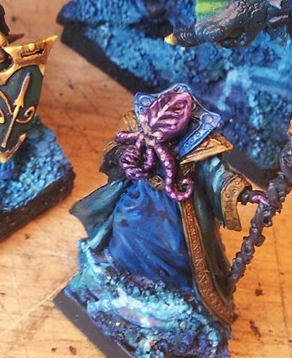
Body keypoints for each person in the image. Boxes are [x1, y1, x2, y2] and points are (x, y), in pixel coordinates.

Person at [71, 84, 265, 325]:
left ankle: (173, 290)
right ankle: (122, 271)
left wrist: (246, 194)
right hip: (140, 196)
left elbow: (219, 175)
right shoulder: (140, 130)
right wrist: (124, 156)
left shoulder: (198, 149)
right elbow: (115, 149)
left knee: (176, 246)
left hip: (175, 210)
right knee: (123, 224)